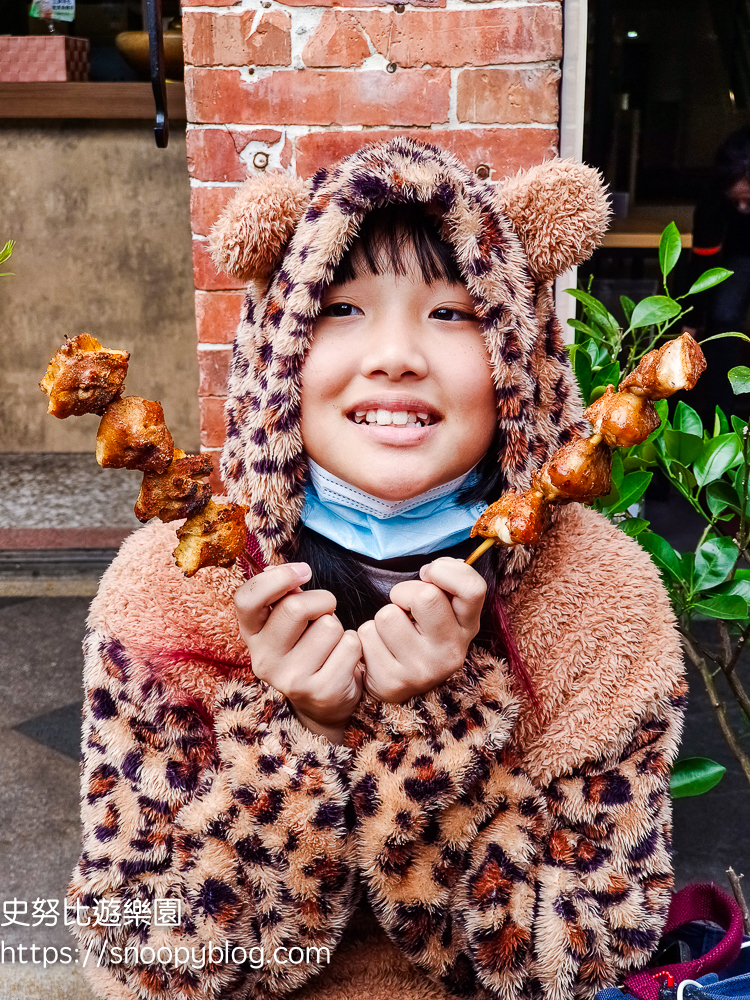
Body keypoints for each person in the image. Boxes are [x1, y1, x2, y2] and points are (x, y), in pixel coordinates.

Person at [68, 139, 686, 1000]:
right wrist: (299, 736)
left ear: (519, 350)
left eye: (455, 312)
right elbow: (143, 960)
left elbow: (584, 958)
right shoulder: (175, 584)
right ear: (277, 346)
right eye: (341, 308)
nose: (396, 354)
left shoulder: (600, 598)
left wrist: (434, 730)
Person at [683, 126, 750, 420]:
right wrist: (690, 324)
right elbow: (702, 263)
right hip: (737, 254)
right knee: (723, 319)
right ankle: (721, 420)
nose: (743, 207)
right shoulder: (713, 199)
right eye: (736, 202)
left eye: (748, 199)